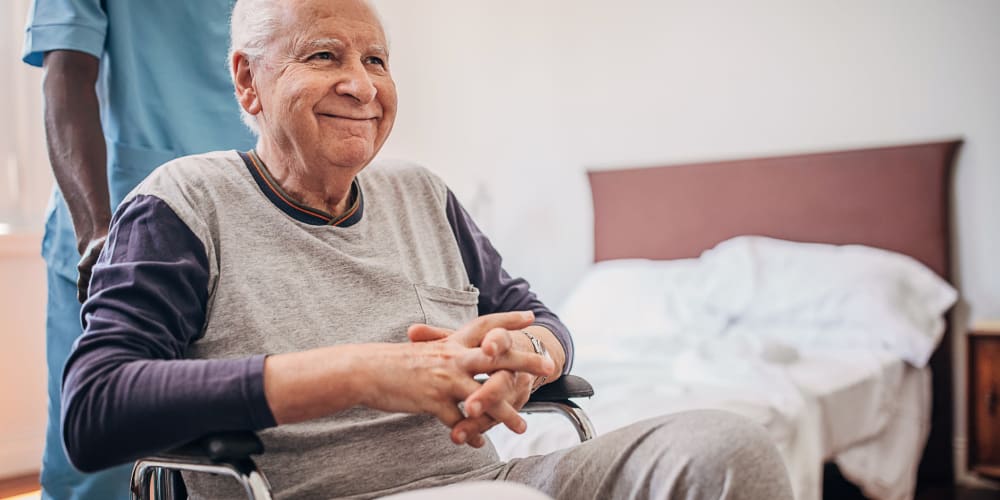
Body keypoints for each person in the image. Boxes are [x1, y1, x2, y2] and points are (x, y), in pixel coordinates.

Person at [60, 0, 796, 498]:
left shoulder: (420, 193)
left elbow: (534, 316)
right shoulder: (184, 200)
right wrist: (358, 372)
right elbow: (95, 407)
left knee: (728, 448)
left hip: (478, 483)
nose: (361, 85)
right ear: (248, 82)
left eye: (377, 61)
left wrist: (527, 359)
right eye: (325, 55)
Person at [22, 1, 256, 498]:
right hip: (113, 228)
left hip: (250, 222)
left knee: (249, 450)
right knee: (96, 463)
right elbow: (66, 72)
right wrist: (98, 235)